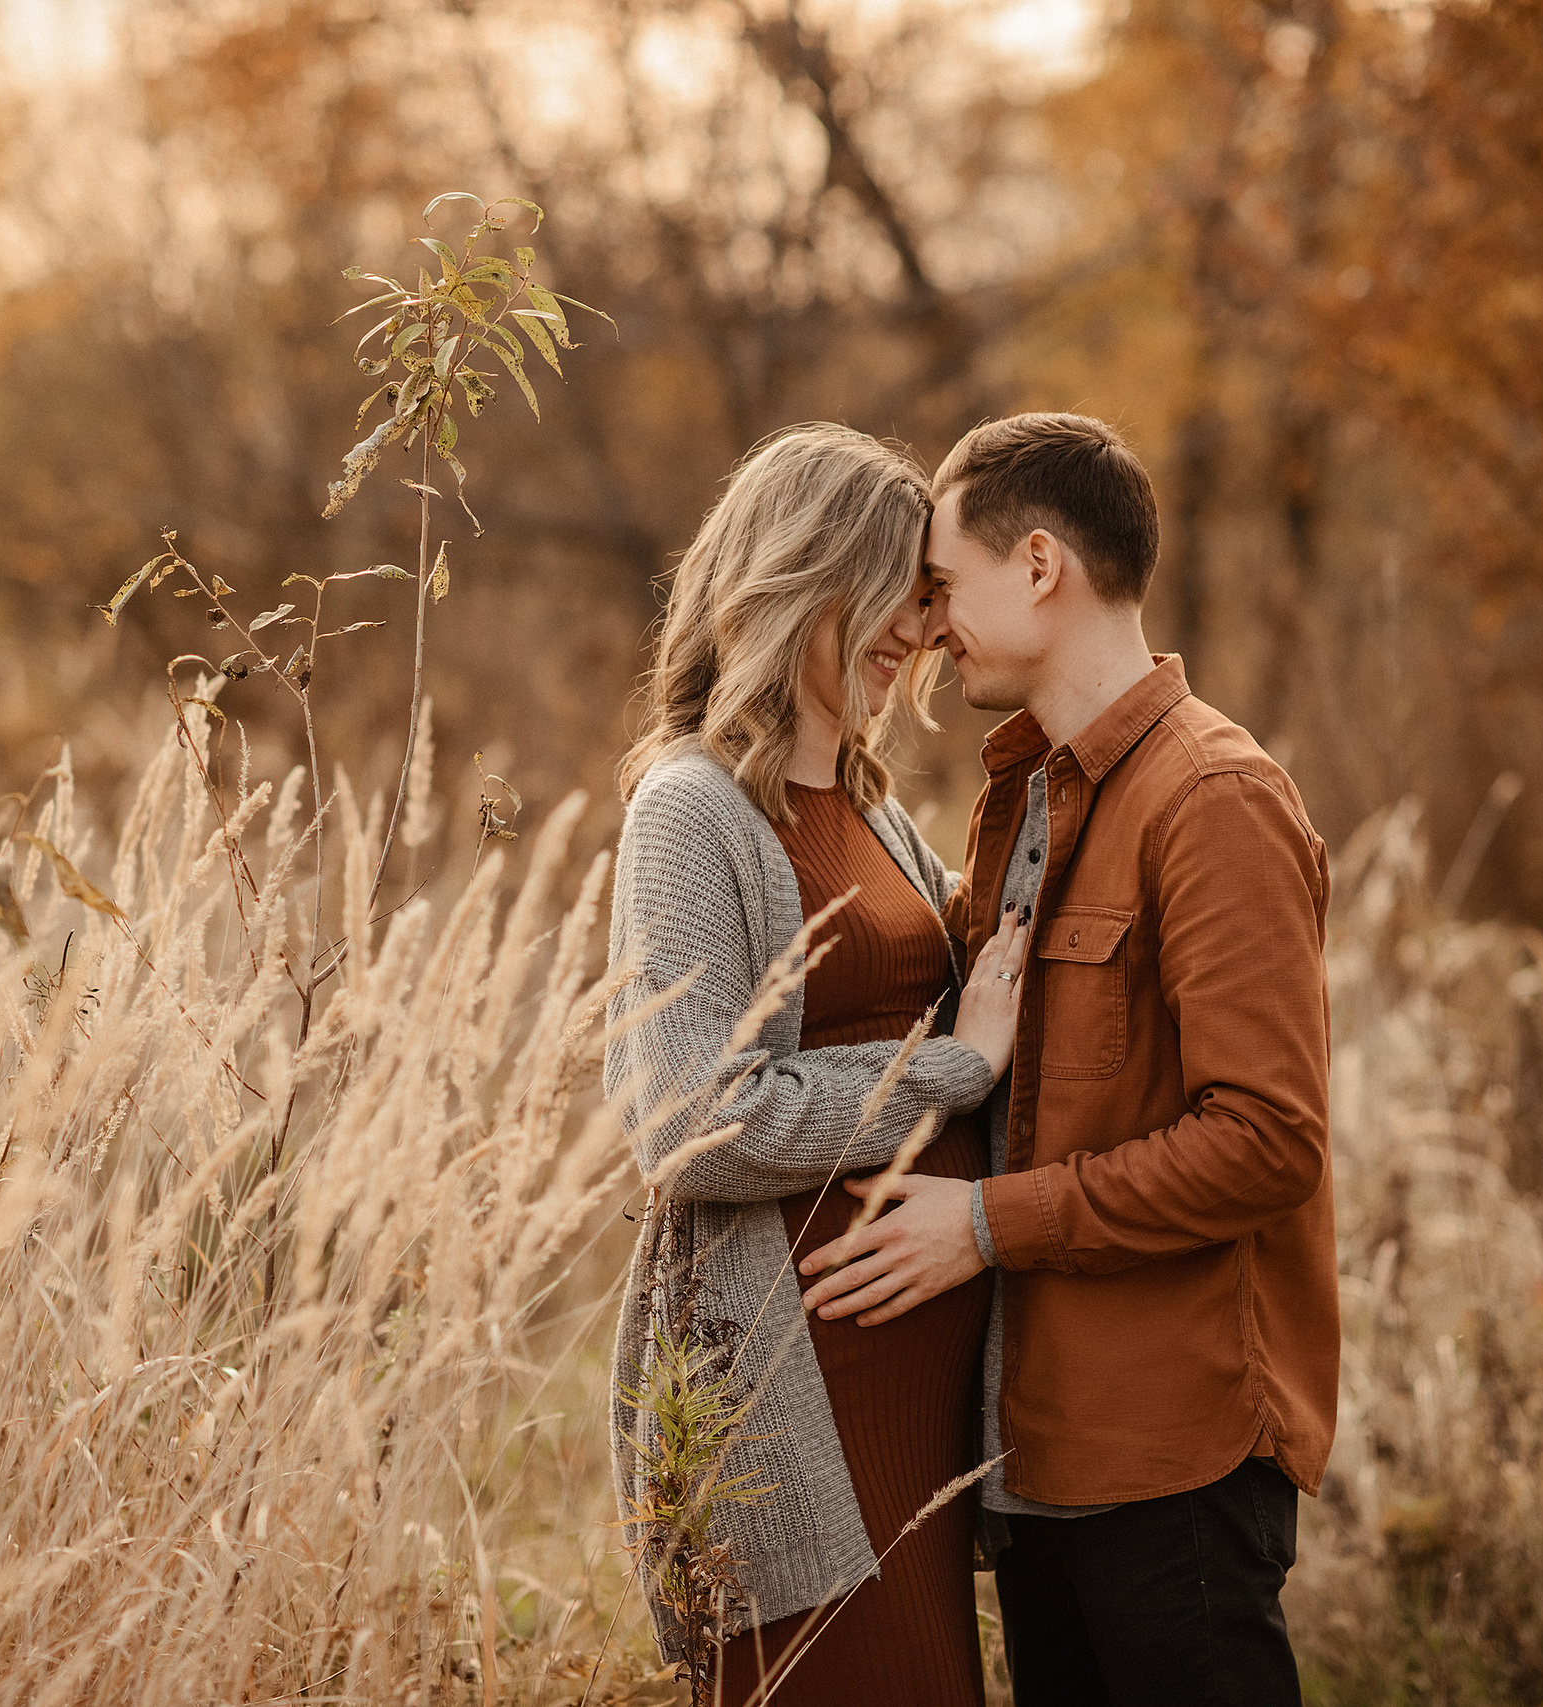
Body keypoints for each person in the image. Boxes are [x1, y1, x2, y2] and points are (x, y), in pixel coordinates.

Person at [796, 413, 1339, 1706]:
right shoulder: (1023, 797)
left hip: (1174, 1451)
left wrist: (986, 1222)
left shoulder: (1213, 798)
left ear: (1040, 563)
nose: (928, 625)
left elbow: (1267, 1136)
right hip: (1034, 1451)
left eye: (943, 583)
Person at [605, 423, 1031, 1704]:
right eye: (889, 583)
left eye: (925, 591)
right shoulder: (692, 809)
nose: (914, 624)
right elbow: (693, 1124)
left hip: (913, 1388)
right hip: (795, 1400)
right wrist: (949, 1072)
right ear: (797, 572)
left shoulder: (878, 807)